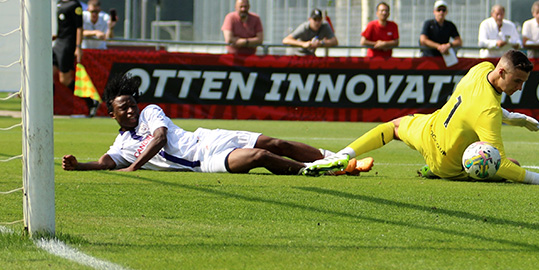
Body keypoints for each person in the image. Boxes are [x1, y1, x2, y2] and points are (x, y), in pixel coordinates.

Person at [61, 72, 372, 176]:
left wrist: (133, 169)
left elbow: (158, 138)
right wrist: (80, 166)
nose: (130, 111)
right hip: (204, 161)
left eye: (131, 104)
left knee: (275, 143)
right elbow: (106, 161)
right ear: (112, 115)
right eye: (122, 109)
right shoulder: (122, 144)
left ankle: (333, 158)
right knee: (260, 158)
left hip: (208, 139)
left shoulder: (150, 112)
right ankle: (317, 170)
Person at [331, 50, 539, 185]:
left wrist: (514, 118)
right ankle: (435, 170)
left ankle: (343, 155)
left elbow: (472, 108)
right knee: (509, 165)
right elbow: (501, 165)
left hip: (428, 130)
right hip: (447, 165)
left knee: (393, 127)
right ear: (502, 72)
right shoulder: (489, 113)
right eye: (517, 81)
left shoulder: (482, 68)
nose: (520, 87)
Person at [53, 0, 83, 95]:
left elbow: (79, 27)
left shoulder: (75, 5)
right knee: (47, 74)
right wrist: (56, 35)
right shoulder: (60, 2)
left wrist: (78, 47)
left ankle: (90, 100)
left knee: (65, 80)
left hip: (67, 45)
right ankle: (48, 104)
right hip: (58, 43)